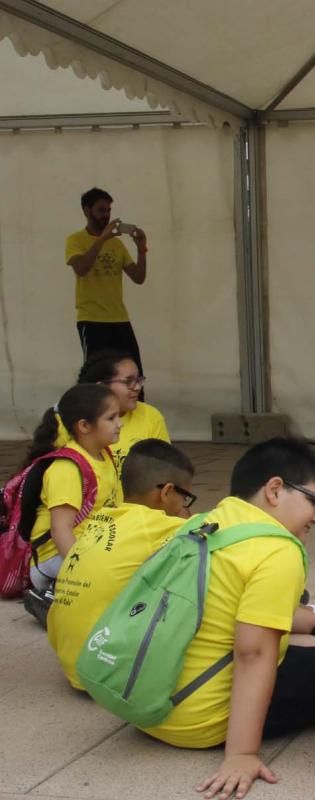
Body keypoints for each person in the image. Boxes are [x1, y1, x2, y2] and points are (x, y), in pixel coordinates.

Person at [136, 438, 315, 800]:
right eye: (314, 501)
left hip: (148, 708)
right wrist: (242, 754)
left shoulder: (200, 524)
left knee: (305, 631)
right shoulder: (277, 550)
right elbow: (253, 654)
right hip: (202, 721)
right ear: (275, 490)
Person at [47, 439, 195, 689]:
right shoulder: (154, 524)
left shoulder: (103, 519)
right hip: (109, 671)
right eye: (186, 497)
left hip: (72, 663)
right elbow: (220, 529)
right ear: (166, 492)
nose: (185, 506)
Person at [24, 383, 123, 593]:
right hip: (56, 559)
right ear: (84, 426)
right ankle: (53, 593)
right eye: (111, 418)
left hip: (93, 549)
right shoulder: (67, 468)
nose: (120, 423)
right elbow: (61, 531)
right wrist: (83, 572)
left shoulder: (105, 455)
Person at [66, 188, 148, 372]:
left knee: (134, 373)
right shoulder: (75, 240)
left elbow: (138, 277)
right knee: (96, 376)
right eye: (101, 210)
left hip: (119, 318)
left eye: (109, 210)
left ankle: (134, 400)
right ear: (87, 211)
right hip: (92, 319)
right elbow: (81, 269)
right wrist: (102, 239)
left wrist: (141, 249)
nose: (106, 215)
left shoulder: (117, 244)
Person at [57, 350, 169, 472]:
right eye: (128, 381)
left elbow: (163, 469)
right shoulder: (68, 419)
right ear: (101, 387)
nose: (137, 387)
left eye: (138, 380)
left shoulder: (150, 415)